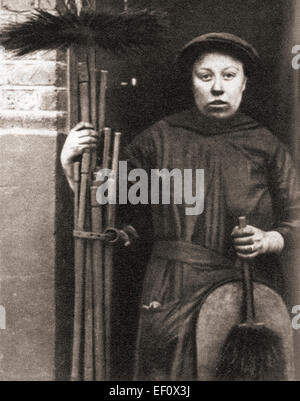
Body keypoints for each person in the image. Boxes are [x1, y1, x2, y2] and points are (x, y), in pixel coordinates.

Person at [61, 32, 300, 380]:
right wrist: (71, 166)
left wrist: (270, 240)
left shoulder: (267, 146)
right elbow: (108, 207)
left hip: (246, 292)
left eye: (229, 75)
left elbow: (296, 216)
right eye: (205, 76)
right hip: (172, 292)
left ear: (244, 83)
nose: (217, 87)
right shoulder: (159, 139)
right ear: (192, 82)